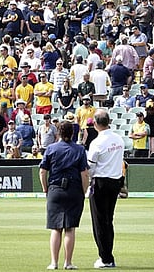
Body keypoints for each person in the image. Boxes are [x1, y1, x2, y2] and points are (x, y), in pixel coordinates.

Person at [39, 120, 89, 271]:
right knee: (70, 228)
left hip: (55, 189)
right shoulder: (79, 150)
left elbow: (42, 171)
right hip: (74, 189)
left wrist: (45, 188)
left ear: (59, 132)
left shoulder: (51, 148)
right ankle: (68, 262)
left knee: (55, 228)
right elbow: (85, 174)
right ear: (72, 133)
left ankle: (54, 262)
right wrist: (83, 190)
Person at [87, 110, 125, 269]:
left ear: (95, 124)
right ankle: (107, 255)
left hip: (101, 182)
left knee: (100, 222)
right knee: (108, 220)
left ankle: (105, 258)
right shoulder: (119, 139)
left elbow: (90, 167)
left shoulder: (96, 143)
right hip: (115, 182)